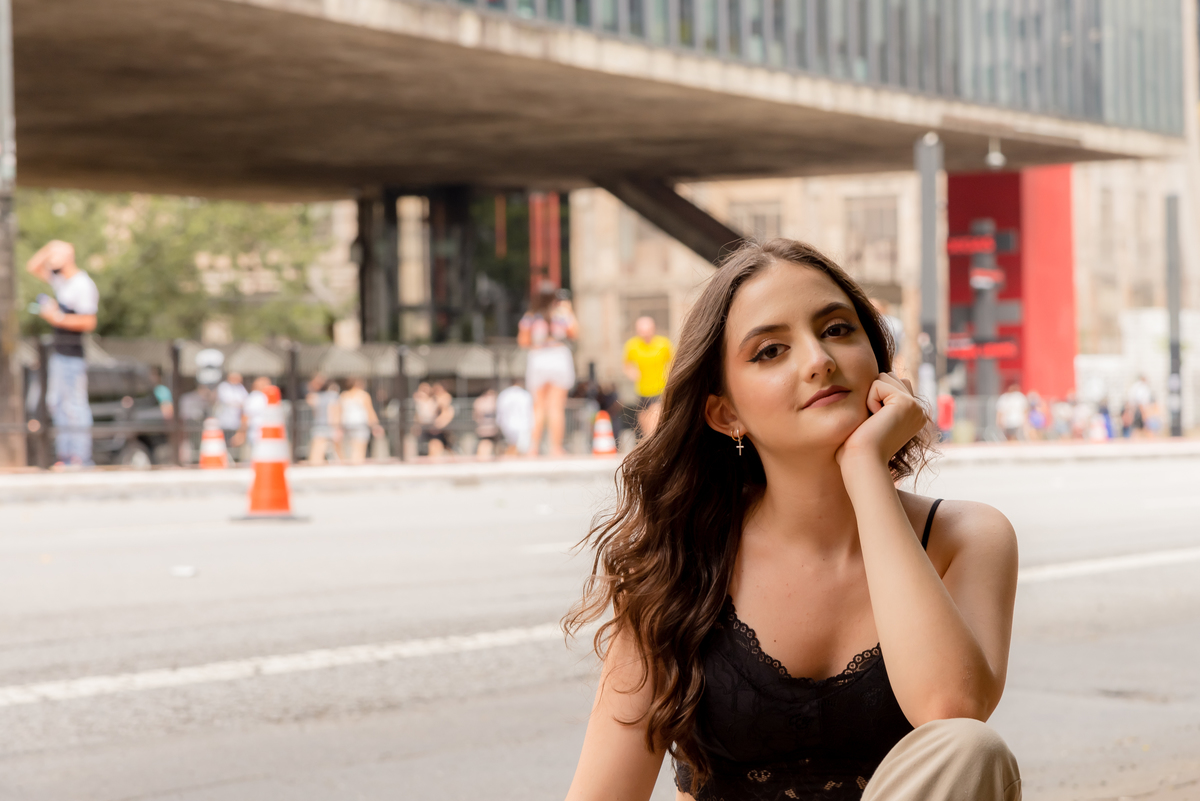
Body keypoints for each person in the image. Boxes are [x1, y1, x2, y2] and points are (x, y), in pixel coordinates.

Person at [563, 239, 1020, 801]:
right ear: (725, 412)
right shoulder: (681, 561)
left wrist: (865, 470)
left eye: (836, 330)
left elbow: (951, 708)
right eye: (771, 351)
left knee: (968, 749)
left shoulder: (967, 540)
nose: (818, 360)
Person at [26, 240, 99, 467]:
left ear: (68, 257)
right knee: (57, 404)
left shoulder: (82, 284)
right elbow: (33, 267)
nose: (50, 261)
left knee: (75, 405)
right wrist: (49, 247)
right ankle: (66, 457)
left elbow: (89, 321)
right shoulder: (62, 282)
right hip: (58, 353)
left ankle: (80, 457)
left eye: (55, 256)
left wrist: (56, 318)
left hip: (73, 354)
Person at [518, 284, 578, 456]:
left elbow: (523, 341)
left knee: (538, 407)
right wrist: (569, 310)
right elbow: (574, 333)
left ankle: (533, 448)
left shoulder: (530, 317)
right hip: (558, 355)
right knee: (556, 407)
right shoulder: (561, 314)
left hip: (538, 356)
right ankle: (556, 448)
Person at [622, 316, 673, 439]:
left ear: (653, 329)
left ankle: (653, 442)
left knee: (654, 418)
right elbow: (626, 364)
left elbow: (674, 362)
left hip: (660, 388)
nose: (645, 335)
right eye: (642, 332)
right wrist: (631, 372)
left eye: (647, 331)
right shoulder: (632, 345)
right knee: (644, 422)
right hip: (642, 389)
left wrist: (668, 375)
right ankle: (648, 443)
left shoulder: (663, 344)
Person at [338, 378, 384, 464]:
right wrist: (376, 425)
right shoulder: (364, 395)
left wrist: (339, 427)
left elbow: (340, 412)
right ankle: (357, 466)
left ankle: (351, 466)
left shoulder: (343, 395)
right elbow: (369, 411)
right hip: (360, 423)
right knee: (359, 447)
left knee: (349, 448)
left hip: (347, 424)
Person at [306, 374, 341, 465]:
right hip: (327, 426)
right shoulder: (332, 396)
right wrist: (336, 428)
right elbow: (334, 413)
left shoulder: (316, 397)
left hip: (320, 425)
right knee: (337, 452)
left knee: (317, 453)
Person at [496, 379, 534, 456]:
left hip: (507, 425)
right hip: (523, 426)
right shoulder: (525, 394)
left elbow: (500, 411)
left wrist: (499, 423)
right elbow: (530, 411)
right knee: (522, 450)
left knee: (513, 446)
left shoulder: (504, 394)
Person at [215, 372, 249, 452]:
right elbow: (228, 400)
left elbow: (246, 401)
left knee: (236, 443)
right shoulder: (224, 386)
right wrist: (240, 404)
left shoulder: (240, 387)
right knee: (226, 442)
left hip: (238, 422)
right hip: (226, 421)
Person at [473, 388, 500, 457]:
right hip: (486, 429)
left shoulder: (480, 401)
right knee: (485, 444)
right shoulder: (484, 402)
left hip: (489, 428)